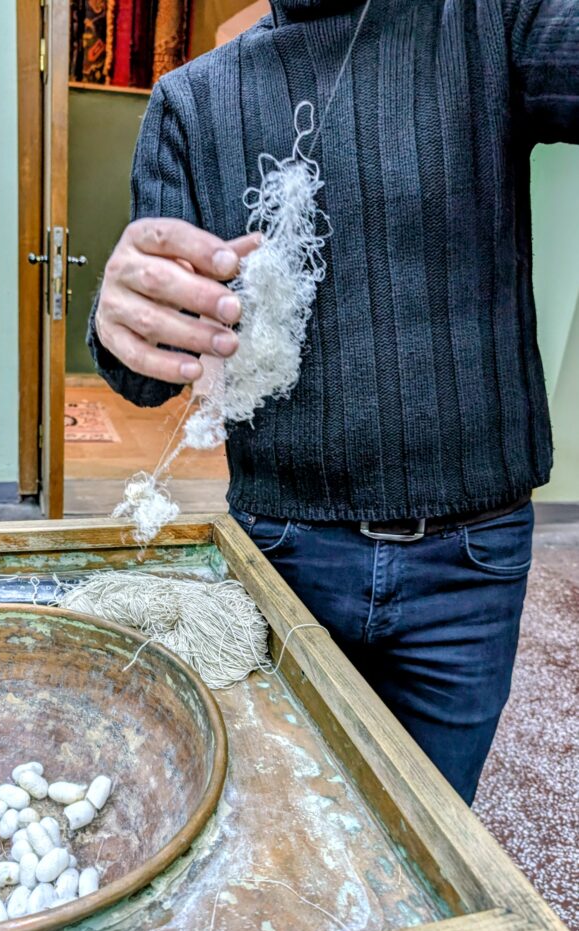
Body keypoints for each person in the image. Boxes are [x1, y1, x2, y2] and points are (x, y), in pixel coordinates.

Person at [87, 0, 578, 804]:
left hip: (471, 562)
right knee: (282, 812)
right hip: (284, 548)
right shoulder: (190, 101)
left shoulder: (488, 19)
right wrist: (123, 319)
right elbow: (146, 375)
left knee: (429, 821)